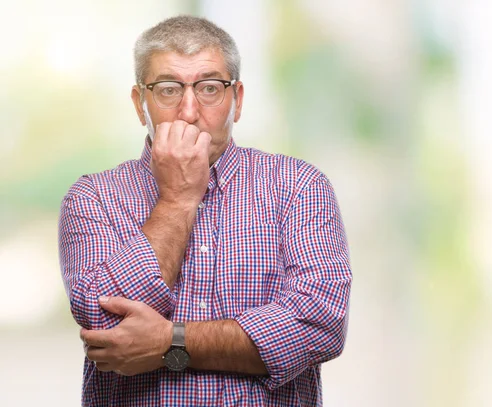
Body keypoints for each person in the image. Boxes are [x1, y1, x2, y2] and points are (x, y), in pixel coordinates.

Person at [58, 15, 351, 407]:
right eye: (167, 89)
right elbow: (107, 331)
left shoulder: (298, 187)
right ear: (139, 104)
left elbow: (320, 323)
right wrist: (177, 199)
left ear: (238, 100)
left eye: (210, 88)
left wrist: (171, 342)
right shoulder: (92, 197)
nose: (189, 111)